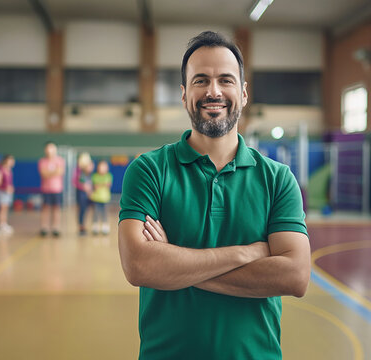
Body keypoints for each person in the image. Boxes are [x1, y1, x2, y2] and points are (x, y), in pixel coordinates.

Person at [117, 31, 311, 360]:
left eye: (225, 79)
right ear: (183, 94)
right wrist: (248, 253)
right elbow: (139, 266)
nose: (214, 91)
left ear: (244, 93)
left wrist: (175, 265)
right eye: (201, 80)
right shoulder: (149, 170)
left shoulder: (278, 179)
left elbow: (295, 276)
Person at [38, 141, 65, 237]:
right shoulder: (42, 161)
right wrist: (53, 171)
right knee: (45, 208)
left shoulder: (60, 160)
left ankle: (55, 228)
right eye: (48, 148)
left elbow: (60, 172)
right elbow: (44, 174)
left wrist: (49, 172)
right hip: (46, 189)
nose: (50, 150)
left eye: (52, 148)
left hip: (57, 189)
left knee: (56, 209)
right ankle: (44, 228)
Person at [0, 155, 15, 234]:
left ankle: (4, 223)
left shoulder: (9, 170)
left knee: (5, 208)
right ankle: (0, 224)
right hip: (2, 192)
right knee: (1, 208)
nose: (12, 162)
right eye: (10, 160)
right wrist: (4, 187)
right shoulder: (0, 170)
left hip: (8, 192)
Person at [90, 160, 112, 235]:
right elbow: (95, 186)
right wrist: (102, 185)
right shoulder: (95, 176)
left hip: (105, 198)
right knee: (96, 213)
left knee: (105, 213)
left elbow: (108, 184)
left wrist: (101, 185)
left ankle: (105, 227)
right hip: (96, 198)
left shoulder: (108, 176)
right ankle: (95, 227)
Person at [74, 152, 93, 236]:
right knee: (81, 209)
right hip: (81, 191)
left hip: (88, 192)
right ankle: (81, 226)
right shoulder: (78, 170)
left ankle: (84, 225)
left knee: (86, 209)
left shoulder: (89, 171)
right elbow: (76, 180)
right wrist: (83, 187)